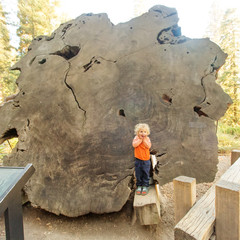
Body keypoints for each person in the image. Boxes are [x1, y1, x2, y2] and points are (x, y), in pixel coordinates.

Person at [132, 123, 151, 196]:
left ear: (147, 133)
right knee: (138, 173)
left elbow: (148, 146)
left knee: (146, 173)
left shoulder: (147, 139)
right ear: (137, 132)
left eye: (145, 132)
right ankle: (139, 185)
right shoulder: (136, 138)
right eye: (141, 131)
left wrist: (144, 140)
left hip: (146, 160)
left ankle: (145, 186)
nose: (143, 133)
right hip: (138, 159)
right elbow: (134, 145)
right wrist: (140, 140)